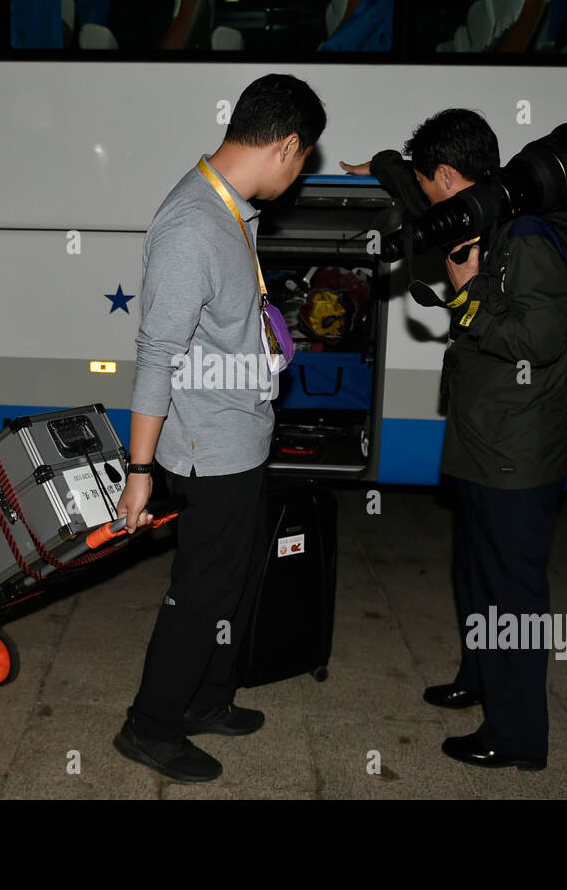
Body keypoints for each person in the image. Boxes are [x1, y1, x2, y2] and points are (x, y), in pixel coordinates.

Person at [342, 109, 567, 771]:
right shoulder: (477, 206)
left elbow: (538, 339)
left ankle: (519, 734)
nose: (429, 198)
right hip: (482, 437)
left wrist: (468, 292)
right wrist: (386, 164)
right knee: (476, 576)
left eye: (430, 181)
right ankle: (480, 677)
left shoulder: (525, 235)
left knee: (513, 594)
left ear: (452, 174)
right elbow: (419, 194)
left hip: (517, 448)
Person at [113, 74, 326, 782]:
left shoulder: (234, 209)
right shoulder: (192, 225)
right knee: (200, 591)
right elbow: (155, 354)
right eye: (304, 161)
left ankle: (208, 697)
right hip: (209, 449)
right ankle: (150, 725)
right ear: (286, 146)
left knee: (233, 584)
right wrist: (139, 472)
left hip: (241, 435)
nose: (299, 178)